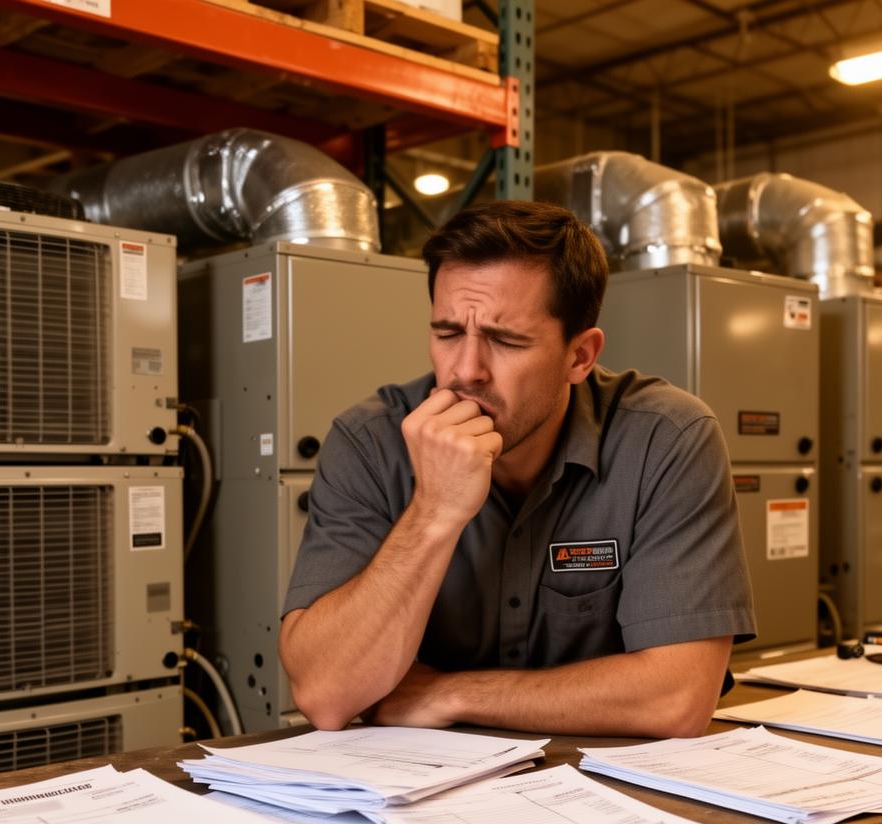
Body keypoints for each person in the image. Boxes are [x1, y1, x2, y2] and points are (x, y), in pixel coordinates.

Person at [279, 200, 755, 736]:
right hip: (415, 792)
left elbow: (677, 697)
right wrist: (434, 511)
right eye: (448, 333)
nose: (465, 372)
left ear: (580, 356)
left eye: (505, 341)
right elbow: (325, 693)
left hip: (603, 792)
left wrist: (449, 693)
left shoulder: (666, 439)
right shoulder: (369, 443)